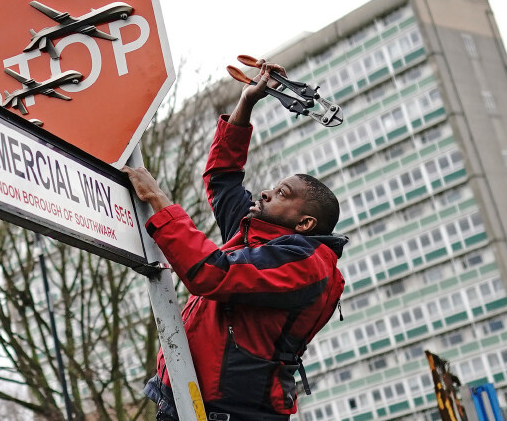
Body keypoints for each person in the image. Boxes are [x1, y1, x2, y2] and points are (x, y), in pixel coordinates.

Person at [123, 62, 348, 421]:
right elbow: (223, 179)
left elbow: (210, 274)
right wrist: (247, 102)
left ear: (305, 222)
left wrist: (158, 200)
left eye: (281, 193)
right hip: (181, 401)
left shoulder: (306, 265)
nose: (266, 192)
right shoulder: (254, 235)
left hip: (228, 415)